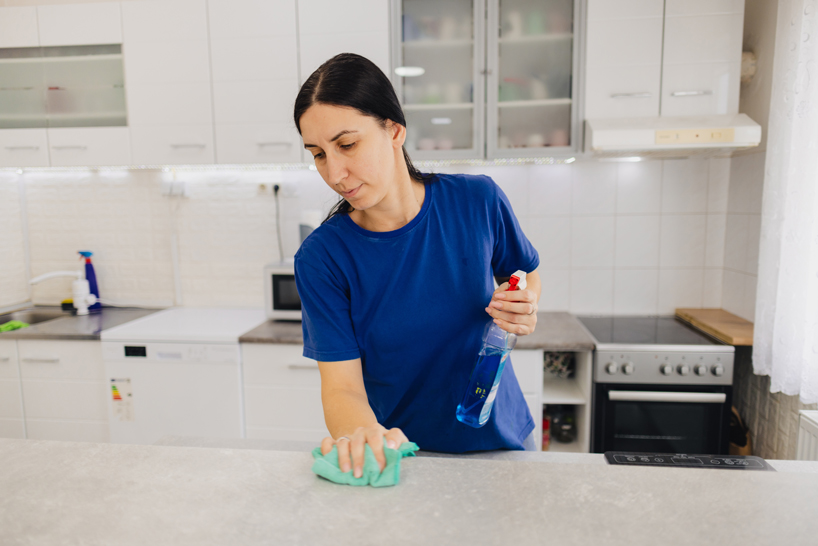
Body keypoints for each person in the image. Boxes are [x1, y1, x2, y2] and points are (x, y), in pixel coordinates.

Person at [293, 53, 541, 479]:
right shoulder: (322, 257)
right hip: (404, 459)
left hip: (503, 445)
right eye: (318, 154)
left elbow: (525, 273)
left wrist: (524, 304)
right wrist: (364, 436)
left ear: (394, 130)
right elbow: (342, 387)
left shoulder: (477, 202)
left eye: (347, 144)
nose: (334, 172)